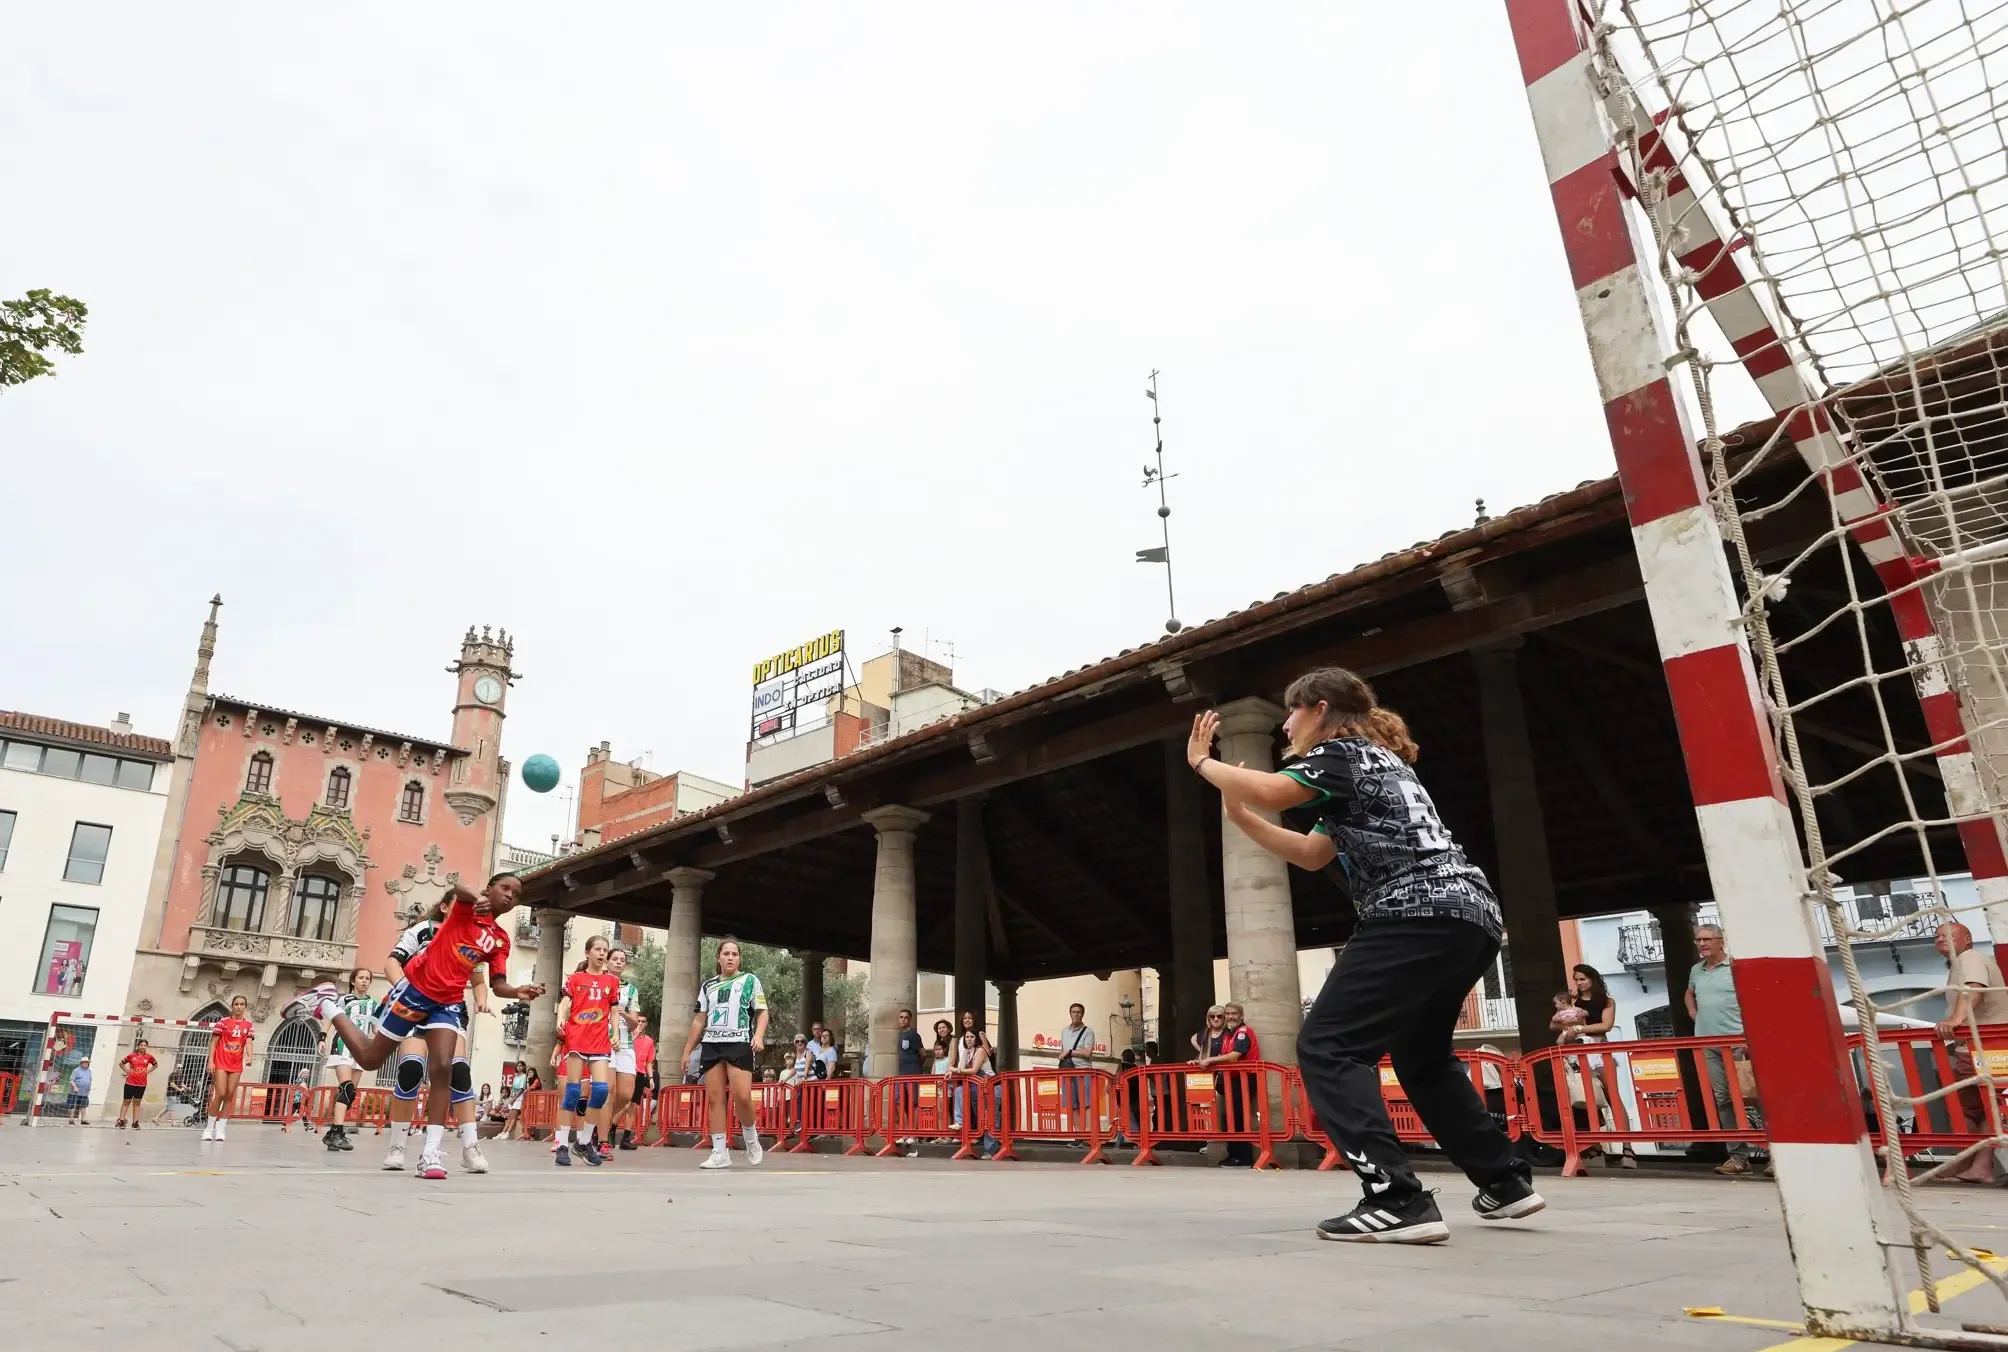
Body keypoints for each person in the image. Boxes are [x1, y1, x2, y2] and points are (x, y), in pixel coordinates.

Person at [1187, 670, 1543, 1244]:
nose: (1285, 724)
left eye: (1292, 712)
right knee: (1421, 1057)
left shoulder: (1340, 752)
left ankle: (1396, 1198)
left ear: (1320, 709)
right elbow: (1309, 853)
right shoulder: (1380, 766)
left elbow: (1277, 790)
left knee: (1326, 1046)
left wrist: (1202, 763)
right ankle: (1504, 1182)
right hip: (1469, 915)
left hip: (1412, 912)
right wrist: (1239, 816)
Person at [287, 873, 544, 1180]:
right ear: (489, 889)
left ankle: (431, 1153)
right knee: (371, 1059)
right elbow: (459, 886)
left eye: (515, 894)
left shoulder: (500, 940)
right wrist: (476, 898)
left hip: (447, 1003)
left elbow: (497, 983)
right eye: (504, 888)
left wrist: (517, 991)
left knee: (444, 1067)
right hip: (415, 993)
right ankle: (326, 1003)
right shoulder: (464, 908)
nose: (509, 895)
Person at [680, 938, 770, 1169]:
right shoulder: (708, 986)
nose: (730, 957)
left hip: (739, 1042)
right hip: (712, 1044)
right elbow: (699, 1019)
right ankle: (720, 1152)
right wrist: (688, 1050)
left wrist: (758, 1035)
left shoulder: (750, 980)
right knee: (715, 1098)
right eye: (726, 953)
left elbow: (762, 1012)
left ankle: (751, 1139)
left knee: (742, 1096)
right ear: (718, 957)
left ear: (739, 958)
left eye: (735, 954)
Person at [1686, 923, 1767, 1176]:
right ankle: (1738, 1157)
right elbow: (1689, 993)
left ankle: (1776, 1155)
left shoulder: (1734, 967)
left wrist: (1748, 1036)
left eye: (1707, 939)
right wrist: (1693, 1013)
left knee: (1756, 1097)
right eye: (1699, 940)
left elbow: (1753, 999)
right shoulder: (1696, 970)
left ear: (1721, 941)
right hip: (1708, 1044)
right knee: (1724, 1100)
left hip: (1737, 1043)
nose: (1702, 944)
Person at [1934, 921, 2008, 1184]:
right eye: (1937, 936)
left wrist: (1955, 1021)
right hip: (1983, 1047)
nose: (1941, 939)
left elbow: (1974, 987)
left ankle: (1981, 1165)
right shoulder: (1968, 959)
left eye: (1949, 935)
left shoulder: (1969, 957)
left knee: (1982, 1107)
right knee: (1977, 1108)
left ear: (1968, 938)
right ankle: (1973, 1163)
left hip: (1984, 1047)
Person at [554, 937, 622, 1167]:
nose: (602, 953)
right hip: (576, 1039)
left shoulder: (611, 982)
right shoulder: (575, 979)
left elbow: (614, 1010)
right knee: (573, 1092)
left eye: (605, 950)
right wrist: (560, 1018)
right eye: (597, 949)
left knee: (602, 1090)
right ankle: (562, 1144)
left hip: (600, 1041)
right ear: (587, 953)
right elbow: (565, 1002)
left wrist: (616, 1033)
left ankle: (583, 1142)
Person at [321, 966, 378, 1153]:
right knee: (347, 1088)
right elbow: (329, 1018)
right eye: (361, 977)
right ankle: (337, 1132)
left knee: (351, 1094)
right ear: (353, 981)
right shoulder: (343, 999)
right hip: (343, 1046)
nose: (364, 981)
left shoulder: (374, 1004)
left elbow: (376, 1028)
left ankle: (332, 1134)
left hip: (361, 1049)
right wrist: (322, 1037)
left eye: (367, 978)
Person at [1198, 1004, 1259, 1166]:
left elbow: (1234, 1056)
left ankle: (1242, 1157)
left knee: (1238, 1118)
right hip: (1232, 1080)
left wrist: (1210, 1060)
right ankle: (1234, 1154)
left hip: (1244, 1079)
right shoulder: (1229, 1035)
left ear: (1241, 1016)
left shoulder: (1243, 1033)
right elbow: (1221, 1055)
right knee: (1231, 1117)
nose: (1230, 1016)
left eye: (1234, 1014)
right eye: (1228, 1014)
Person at [601, 945, 646, 1152]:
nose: (618, 962)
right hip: (604, 1043)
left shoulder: (631, 989)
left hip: (626, 1045)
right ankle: (601, 1137)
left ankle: (607, 1124)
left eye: (622, 960)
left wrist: (624, 1013)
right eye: (615, 959)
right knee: (608, 1091)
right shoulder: (600, 983)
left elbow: (635, 1023)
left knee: (626, 1095)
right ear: (607, 961)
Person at [201, 994, 256, 1141]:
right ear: (232, 1006)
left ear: (245, 1006)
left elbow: (249, 1042)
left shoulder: (248, 1025)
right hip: (220, 1062)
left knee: (229, 1094)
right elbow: (213, 1043)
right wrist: (210, 1062)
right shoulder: (223, 1023)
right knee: (220, 1093)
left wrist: (250, 1056)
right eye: (236, 1004)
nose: (239, 1007)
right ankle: (209, 1128)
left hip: (236, 1064)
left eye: (241, 1004)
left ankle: (221, 1129)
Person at [1055, 1003, 1097, 1133]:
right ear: (1070, 1013)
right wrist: (1064, 1054)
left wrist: (1069, 1052)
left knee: (1087, 1104)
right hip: (1069, 1072)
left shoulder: (1088, 1031)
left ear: (1082, 1014)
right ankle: (1079, 1134)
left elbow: (1087, 1053)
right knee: (1071, 1105)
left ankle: (1089, 1134)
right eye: (1073, 1012)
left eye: (1078, 1012)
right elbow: (1063, 1052)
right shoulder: (1064, 1031)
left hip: (1084, 1071)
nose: (1076, 1015)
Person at [116, 1039, 158, 1129]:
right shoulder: (132, 1056)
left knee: (137, 1102)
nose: (143, 1047)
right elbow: (121, 1063)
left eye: (144, 1045)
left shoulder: (149, 1057)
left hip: (141, 1083)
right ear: (138, 1046)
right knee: (126, 1101)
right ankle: (121, 1121)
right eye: (141, 1045)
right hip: (130, 1082)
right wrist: (127, 1071)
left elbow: (156, 1064)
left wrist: (148, 1071)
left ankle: (135, 1122)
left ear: (146, 1047)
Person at [630, 1029, 656, 1148]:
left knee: (634, 1105)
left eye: (643, 1021)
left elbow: (649, 1061)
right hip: (626, 1071)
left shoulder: (649, 1041)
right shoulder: (626, 1036)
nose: (640, 1024)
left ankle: (626, 1136)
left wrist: (650, 1077)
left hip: (640, 1073)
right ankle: (610, 1131)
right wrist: (633, 1038)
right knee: (623, 1103)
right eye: (638, 1021)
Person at [66, 1058, 93, 1123]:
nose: (86, 1063)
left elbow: (90, 1080)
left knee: (84, 1106)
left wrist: (89, 1087)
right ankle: (71, 1119)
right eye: (84, 1062)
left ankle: (83, 1120)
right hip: (74, 1092)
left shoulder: (89, 1071)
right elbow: (71, 1080)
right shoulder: (76, 1070)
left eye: (87, 1062)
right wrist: (75, 1087)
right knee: (71, 1105)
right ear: (81, 1063)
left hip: (84, 1092)